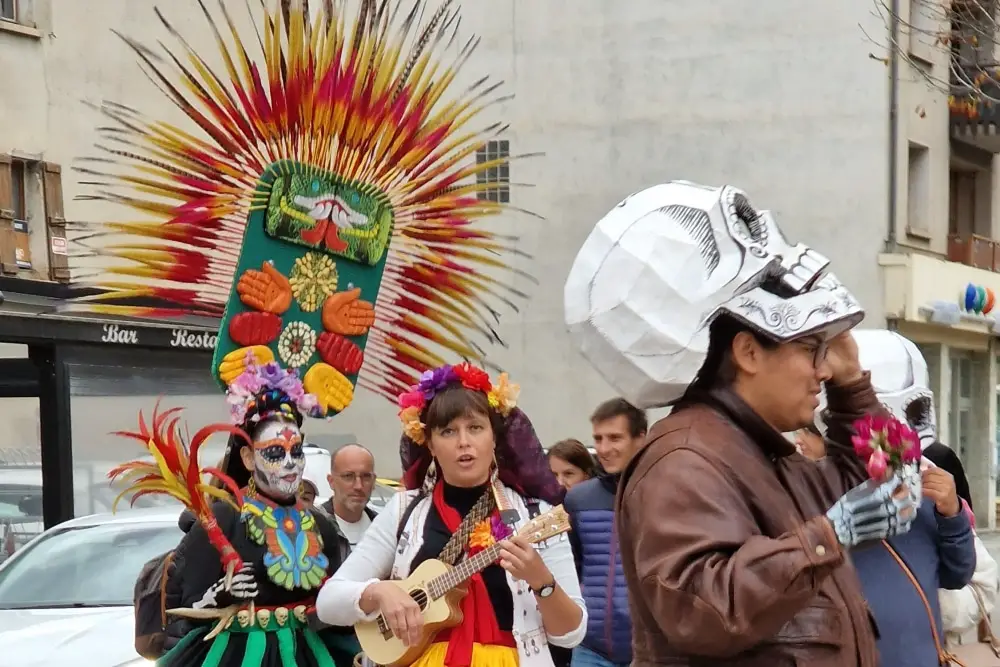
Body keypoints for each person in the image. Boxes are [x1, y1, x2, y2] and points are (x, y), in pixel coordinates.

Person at [83, 0, 537, 663]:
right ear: (245, 454)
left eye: (296, 447)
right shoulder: (224, 520)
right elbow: (186, 605)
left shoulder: (321, 520)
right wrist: (224, 593)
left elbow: (339, 595)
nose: (291, 459)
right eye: (276, 450)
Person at [563, 182, 921, 666]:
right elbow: (702, 607)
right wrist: (826, 537)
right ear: (749, 352)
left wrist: (853, 384)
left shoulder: (770, 456)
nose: (823, 369)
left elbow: (884, 481)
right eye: (809, 350)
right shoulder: (685, 460)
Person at [315, 363, 586, 667]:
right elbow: (328, 603)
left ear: (494, 438)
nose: (463, 442)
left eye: (475, 428)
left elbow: (570, 635)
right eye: (448, 431)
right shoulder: (404, 511)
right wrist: (378, 591)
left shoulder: (536, 515)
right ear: (430, 444)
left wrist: (541, 582)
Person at [562, 399, 644, 667]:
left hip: (651, 652)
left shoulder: (665, 494)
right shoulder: (578, 499)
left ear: (640, 439)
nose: (604, 449)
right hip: (590, 649)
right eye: (598, 438)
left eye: (615, 438)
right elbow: (569, 568)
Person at [320, 444, 379, 558]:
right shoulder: (312, 527)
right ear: (331, 481)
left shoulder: (384, 528)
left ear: (374, 481)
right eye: (348, 476)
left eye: (366, 477)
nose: (358, 486)